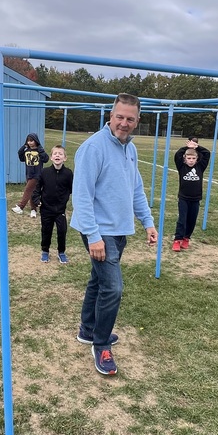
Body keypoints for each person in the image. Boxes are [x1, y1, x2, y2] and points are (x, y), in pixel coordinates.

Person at [71, 94, 158, 376]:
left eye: (130, 119)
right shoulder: (93, 147)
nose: (124, 123)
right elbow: (82, 197)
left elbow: (136, 189)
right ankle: (101, 344)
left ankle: (87, 329)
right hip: (99, 231)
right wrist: (94, 236)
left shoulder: (129, 149)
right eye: (119, 116)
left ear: (137, 121)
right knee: (114, 287)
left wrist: (148, 222)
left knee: (98, 281)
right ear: (111, 115)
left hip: (120, 230)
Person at [171, 137, 210, 250]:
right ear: (185, 159)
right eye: (189, 158)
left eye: (193, 158)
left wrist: (197, 147)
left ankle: (186, 238)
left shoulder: (200, 167)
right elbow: (178, 154)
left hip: (196, 199)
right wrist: (187, 147)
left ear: (197, 159)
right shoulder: (182, 167)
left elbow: (207, 153)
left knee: (192, 220)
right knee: (182, 220)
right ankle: (177, 240)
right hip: (183, 198)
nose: (191, 160)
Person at [38, 144, 74, 264]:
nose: (57, 155)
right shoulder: (44, 172)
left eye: (60, 154)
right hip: (46, 209)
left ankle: (61, 252)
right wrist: (36, 199)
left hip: (60, 210)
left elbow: (72, 188)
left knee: (62, 231)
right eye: (55, 154)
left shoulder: (68, 173)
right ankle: (45, 251)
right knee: (46, 230)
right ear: (51, 157)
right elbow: (37, 188)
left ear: (65, 158)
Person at [12, 133, 49, 217]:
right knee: (33, 192)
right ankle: (33, 210)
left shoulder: (39, 150)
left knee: (28, 190)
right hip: (28, 174)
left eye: (32, 141)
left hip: (37, 175)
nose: (30, 142)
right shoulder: (27, 151)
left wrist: (41, 150)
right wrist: (24, 147)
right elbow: (21, 157)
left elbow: (46, 159)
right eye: (28, 141)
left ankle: (21, 207)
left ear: (36, 141)